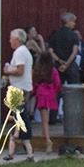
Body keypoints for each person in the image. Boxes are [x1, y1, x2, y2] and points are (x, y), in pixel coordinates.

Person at [4, 27, 37, 161]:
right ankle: (17, 151)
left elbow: (20, 71)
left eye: (11, 38)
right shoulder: (25, 51)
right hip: (23, 88)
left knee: (19, 118)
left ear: (17, 39)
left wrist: (7, 70)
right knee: (19, 117)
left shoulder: (19, 52)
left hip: (19, 90)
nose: (9, 41)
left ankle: (22, 146)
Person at [28, 26, 59, 154]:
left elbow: (35, 83)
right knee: (48, 119)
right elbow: (57, 83)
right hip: (50, 94)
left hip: (41, 94)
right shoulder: (53, 70)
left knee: (44, 121)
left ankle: (48, 141)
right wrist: (55, 91)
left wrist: (33, 92)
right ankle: (46, 137)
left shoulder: (38, 70)